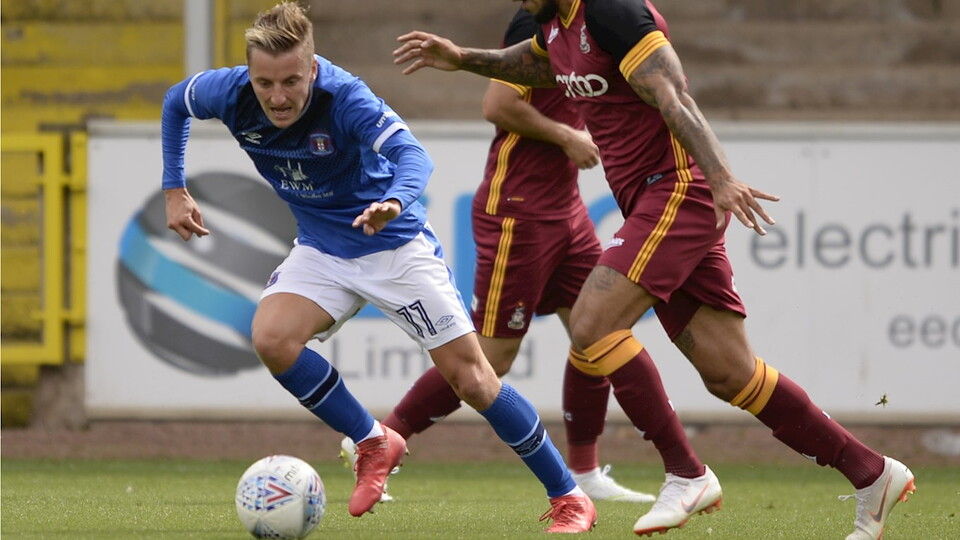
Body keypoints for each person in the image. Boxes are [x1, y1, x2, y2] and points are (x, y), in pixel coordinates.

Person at [392, 1, 916, 538]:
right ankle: (872, 473)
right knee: (730, 373)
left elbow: (674, 94)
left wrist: (720, 177)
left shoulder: (612, 13)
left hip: (677, 190)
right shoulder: (555, 24)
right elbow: (534, 63)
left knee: (593, 324)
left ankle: (686, 472)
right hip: (652, 200)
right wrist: (461, 58)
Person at [160, 2, 596, 532]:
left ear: (312, 68)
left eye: (291, 81)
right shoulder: (228, 92)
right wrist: (174, 187)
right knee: (272, 339)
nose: (277, 97)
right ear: (248, 74)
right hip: (322, 248)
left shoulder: (345, 97)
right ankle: (372, 441)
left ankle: (570, 496)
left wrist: (394, 201)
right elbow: (175, 102)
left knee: (475, 380)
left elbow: (414, 156)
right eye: (264, 83)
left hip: (393, 245)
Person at [342, 7, 654, 505]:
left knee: (597, 331)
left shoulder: (590, 24)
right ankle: (381, 440)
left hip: (567, 211)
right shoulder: (535, 25)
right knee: (491, 359)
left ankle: (586, 471)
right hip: (517, 213)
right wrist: (567, 135)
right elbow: (498, 103)